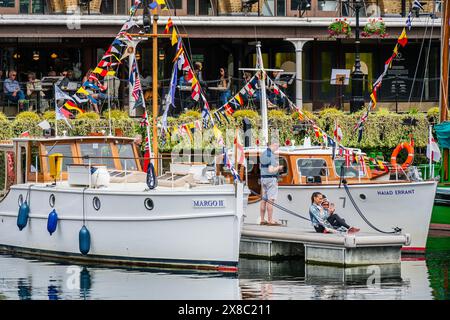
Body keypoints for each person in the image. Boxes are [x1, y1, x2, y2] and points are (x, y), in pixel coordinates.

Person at [259, 139, 284, 226]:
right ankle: (270, 220)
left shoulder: (263, 154)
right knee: (270, 200)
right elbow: (271, 170)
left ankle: (262, 219)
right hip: (271, 179)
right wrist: (278, 167)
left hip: (263, 178)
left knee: (263, 200)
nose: (277, 149)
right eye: (277, 146)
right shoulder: (271, 155)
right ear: (272, 144)